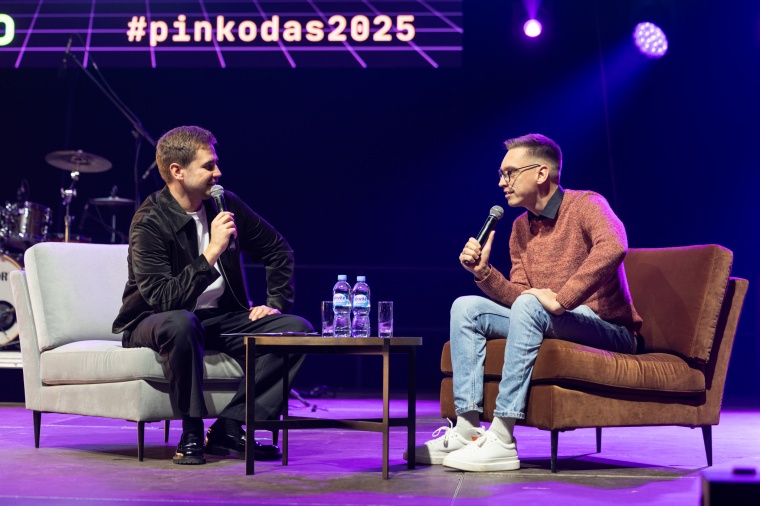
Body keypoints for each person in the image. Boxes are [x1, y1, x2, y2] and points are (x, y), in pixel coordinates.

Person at [404, 133, 642, 472]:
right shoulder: (519, 229)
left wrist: (562, 300)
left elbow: (614, 245)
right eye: (502, 174)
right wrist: (485, 273)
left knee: (533, 306)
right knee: (466, 307)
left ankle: (502, 437)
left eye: (510, 173)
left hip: (609, 330)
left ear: (541, 173)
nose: (502, 182)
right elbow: (521, 297)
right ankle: (467, 429)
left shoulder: (586, 204)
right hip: (553, 321)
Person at [112, 126, 313, 465]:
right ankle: (191, 429)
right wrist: (211, 252)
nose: (218, 172)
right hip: (153, 322)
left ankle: (230, 427)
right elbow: (162, 299)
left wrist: (275, 303)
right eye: (208, 166)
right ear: (177, 171)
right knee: (182, 322)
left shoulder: (225, 203)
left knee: (295, 330)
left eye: (216, 164)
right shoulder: (149, 221)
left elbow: (278, 250)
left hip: (217, 319)